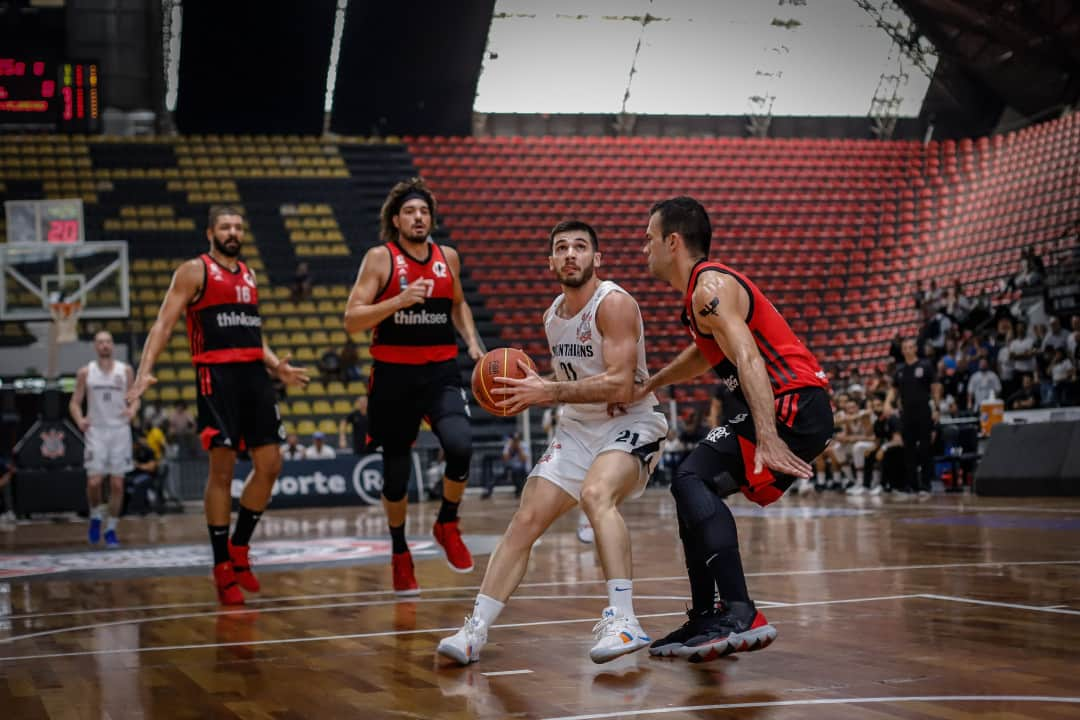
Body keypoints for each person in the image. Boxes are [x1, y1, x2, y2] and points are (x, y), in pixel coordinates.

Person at [438, 219, 667, 665]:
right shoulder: (552, 316)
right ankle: (476, 630)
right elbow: (577, 383)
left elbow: (621, 384)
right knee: (525, 521)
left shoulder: (613, 303)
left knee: (596, 494)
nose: (570, 254)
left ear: (597, 258)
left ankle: (624, 621)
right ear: (549, 262)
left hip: (632, 422)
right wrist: (543, 389)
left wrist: (547, 390)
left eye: (580, 247)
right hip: (578, 428)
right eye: (561, 248)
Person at [635, 196, 833, 663]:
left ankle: (741, 613)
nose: (644, 249)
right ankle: (708, 615)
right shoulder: (699, 300)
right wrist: (654, 383)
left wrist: (766, 434)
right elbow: (708, 353)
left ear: (673, 241)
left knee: (691, 478)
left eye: (648, 240)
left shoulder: (710, 288)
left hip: (794, 404)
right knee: (690, 485)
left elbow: (747, 356)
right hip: (793, 404)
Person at [128, 205, 309, 605]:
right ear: (210, 231)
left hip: (255, 378)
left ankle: (240, 548)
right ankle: (220, 566)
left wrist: (277, 365)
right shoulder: (194, 271)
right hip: (216, 378)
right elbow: (163, 323)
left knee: (271, 465)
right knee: (222, 471)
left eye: (238, 227)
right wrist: (144, 372)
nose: (233, 232)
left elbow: (251, 332)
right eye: (225, 226)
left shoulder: (249, 274)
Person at [344, 178, 485, 595]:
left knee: (461, 445)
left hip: (440, 372)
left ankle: (447, 522)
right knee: (395, 477)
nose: (418, 217)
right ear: (395, 219)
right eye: (410, 211)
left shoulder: (448, 258)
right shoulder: (380, 259)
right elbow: (352, 318)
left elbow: (458, 303)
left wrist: (473, 343)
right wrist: (397, 302)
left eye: (423, 211)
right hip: (392, 377)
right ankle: (400, 551)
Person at [69, 331, 136, 548]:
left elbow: (136, 398)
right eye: (100, 342)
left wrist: (133, 409)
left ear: (113, 345)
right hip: (96, 430)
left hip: (119, 431)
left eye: (108, 341)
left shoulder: (125, 370)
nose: (104, 345)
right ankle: (96, 515)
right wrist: (80, 419)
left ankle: (111, 529)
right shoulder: (85, 372)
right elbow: (74, 402)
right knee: (94, 481)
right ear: (95, 347)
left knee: (117, 484)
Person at [895, 337, 935, 498]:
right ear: (903, 350)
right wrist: (889, 403)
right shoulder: (900, 370)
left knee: (925, 448)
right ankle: (912, 484)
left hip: (924, 412)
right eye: (905, 347)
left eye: (911, 346)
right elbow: (895, 390)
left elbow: (935, 386)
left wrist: (936, 407)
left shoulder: (925, 366)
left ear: (915, 349)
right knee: (908, 450)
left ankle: (926, 484)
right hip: (907, 414)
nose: (908, 349)